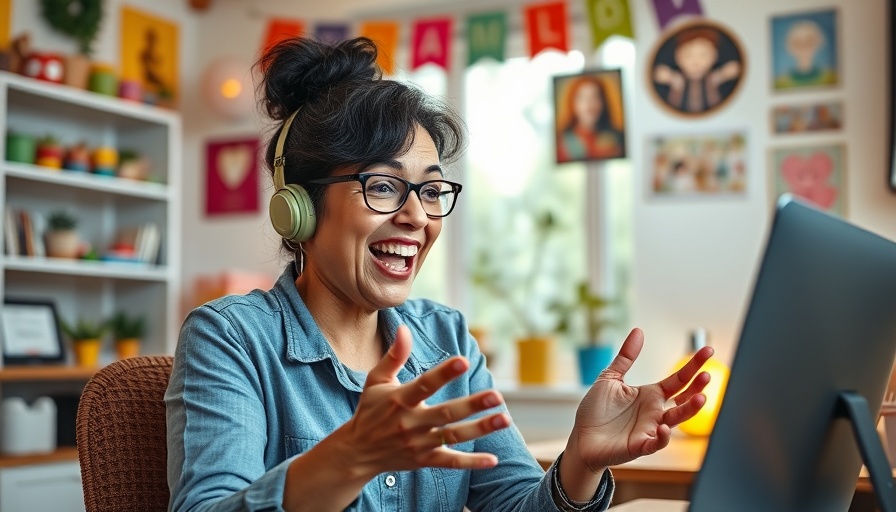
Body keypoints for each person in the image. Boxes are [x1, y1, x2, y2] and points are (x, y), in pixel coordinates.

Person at [166, 36, 714, 512]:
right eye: (382, 186)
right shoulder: (231, 338)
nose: (417, 216)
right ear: (299, 206)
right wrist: (347, 459)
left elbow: (516, 505)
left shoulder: (447, 339)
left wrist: (580, 462)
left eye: (431, 190)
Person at [653, 27, 741, 114]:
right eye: (688, 55)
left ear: (714, 56)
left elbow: (732, 71)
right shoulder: (676, 80)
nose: (696, 62)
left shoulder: (713, 79)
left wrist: (725, 73)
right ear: (677, 56)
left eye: (703, 55)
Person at [556, 75, 624, 162]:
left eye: (595, 97)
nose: (589, 105)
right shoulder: (562, 143)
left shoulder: (617, 139)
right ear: (572, 104)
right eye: (583, 98)